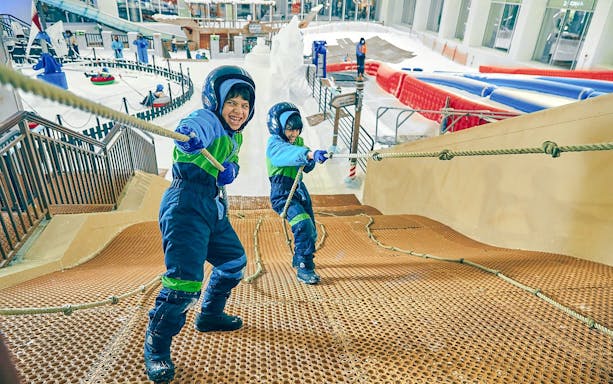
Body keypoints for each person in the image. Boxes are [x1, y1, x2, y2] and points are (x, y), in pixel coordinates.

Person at [143, 65, 256, 383]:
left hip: (212, 205)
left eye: (245, 105)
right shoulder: (208, 120)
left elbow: (230, 157)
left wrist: (230, 168)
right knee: (183, 284)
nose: (238, 110)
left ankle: (209, 315)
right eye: (231, 102)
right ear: (216, 100)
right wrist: (188, 139)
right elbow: (191, 129)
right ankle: (157, 347)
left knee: (234, 262)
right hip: (186, 206)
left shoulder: (235, 134)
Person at [265, 102, 328, 285]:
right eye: (290, 129)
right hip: (283, 193)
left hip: (299, 189)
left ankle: (301, 254)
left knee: (311, 229)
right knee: (303, 224)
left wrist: (313, 159)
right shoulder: (274, 144)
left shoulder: (298, 142)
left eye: (297, 130)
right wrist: (307, 154)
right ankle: (304, 265)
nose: (294, 134)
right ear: (278, 127)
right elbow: (285, 154)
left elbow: (305, 164)